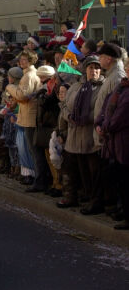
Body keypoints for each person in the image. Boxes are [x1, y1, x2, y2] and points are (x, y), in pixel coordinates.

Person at [57, 56, 104, 209]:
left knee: (92, 173)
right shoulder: (76, 86)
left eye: (97, 68)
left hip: (90, 138)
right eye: (91, 68)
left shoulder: (101, 88)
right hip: (72, 137)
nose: (94, 71)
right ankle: (71, 197)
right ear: (85, 69)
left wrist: (84, 118)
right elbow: (64, 106)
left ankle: (93, 201)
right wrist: (69, 117)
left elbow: (100, 111)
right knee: (71, 171)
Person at [99, 55, 129, 229]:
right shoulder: (121, 87)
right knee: (120, 178)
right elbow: (107, 105)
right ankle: (124, 211)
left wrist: (106, 126)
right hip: (117, 141)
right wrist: (100, 122)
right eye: (128, 68)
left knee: (126, 180)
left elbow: (121, 114)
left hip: (124, 139)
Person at [5, 49, 41, 185]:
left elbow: (22, 96)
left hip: (29, 117)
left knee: (29, 149)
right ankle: (32, 176)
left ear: (31, 61)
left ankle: (34, 177)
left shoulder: (29, 76)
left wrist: (10, 87)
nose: (21, 62)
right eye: (20, 60)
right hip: (26, 116)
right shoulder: (28, 74)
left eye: (24, 60)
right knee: (26, 148)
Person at [27, 64, 59, 193]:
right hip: (45, 125)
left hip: (49, 125)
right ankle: (53, 183)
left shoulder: (50, 88)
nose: (40, 79)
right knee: (47, 156)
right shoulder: (44, 88)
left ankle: (57, 184)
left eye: (41, 77)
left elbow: (48, 106)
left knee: (53, 157)